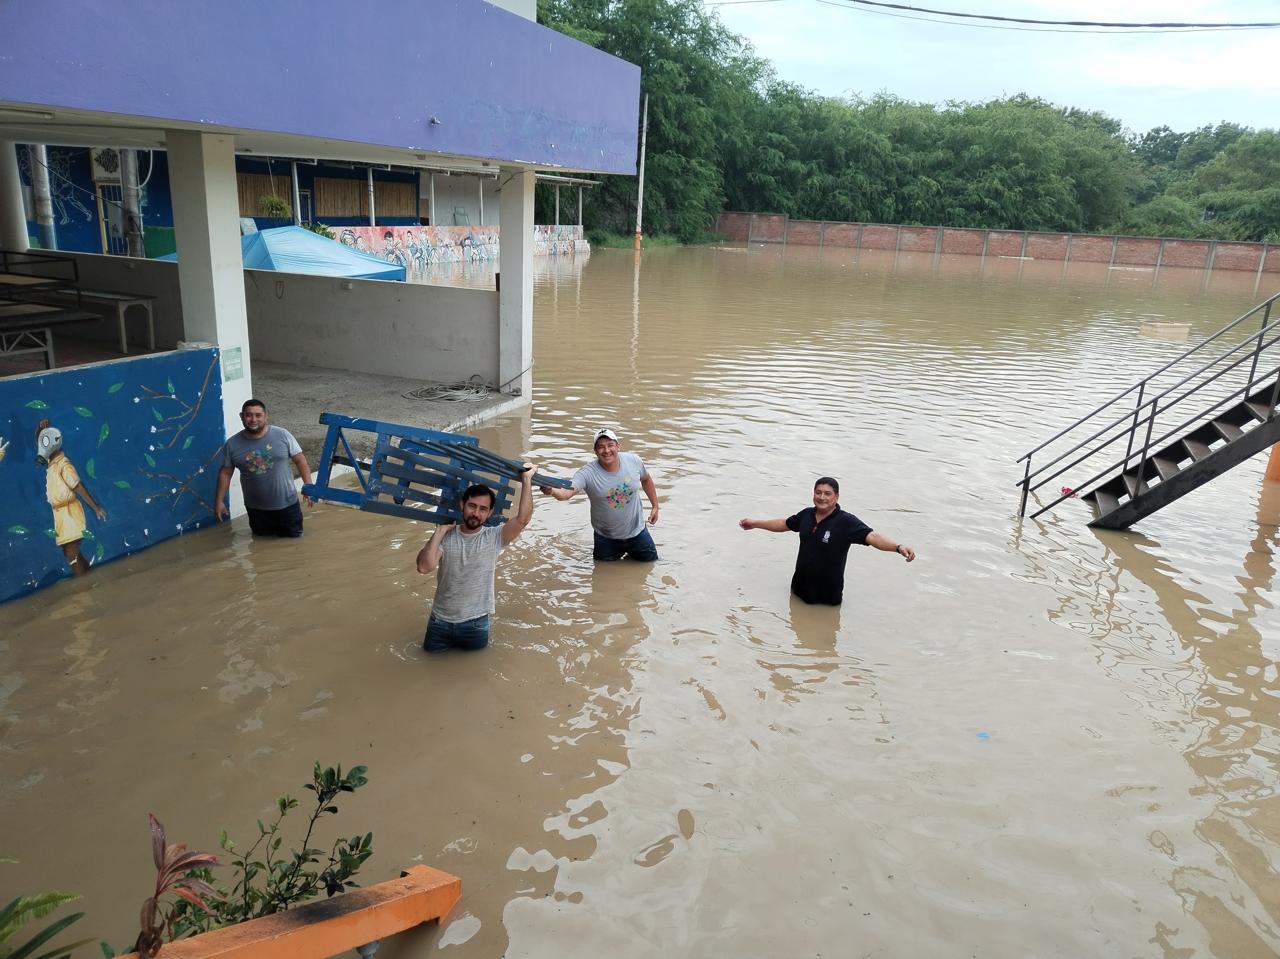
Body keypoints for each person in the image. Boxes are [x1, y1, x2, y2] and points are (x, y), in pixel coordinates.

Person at [739, 476, 915, 605]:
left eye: (827, 494)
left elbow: (873, 537)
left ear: (836, 497)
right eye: (818, 492)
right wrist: (755, 523)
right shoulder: (806, 515)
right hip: (799, 589)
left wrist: (898, 547)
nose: (822, 497)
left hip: (828, 595)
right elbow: (783, 524)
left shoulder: (846, 522)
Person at [415, 465, 536, 653]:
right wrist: (439, 531)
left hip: (476, 624)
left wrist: (527, 479)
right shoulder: (445, 535)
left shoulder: (495, 537)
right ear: (462, 505)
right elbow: (424, 567)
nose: (476, 513)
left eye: (482, 509)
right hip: (440, 622)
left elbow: (523, 519)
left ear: (489, 513)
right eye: (472, 506)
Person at [540, 428, 660, 561]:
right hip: (606, 539)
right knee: (602, 576)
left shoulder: (634, 461)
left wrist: (655, 506)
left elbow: (646, 479)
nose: (607, 450)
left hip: (638, 533)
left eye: (610, 445)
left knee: (651, 565)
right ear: (595, 451)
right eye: (601, 447)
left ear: (618, 446)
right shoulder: (587, 473)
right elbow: (567, 492)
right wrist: (551, 490)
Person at [214, 399, 314, 537]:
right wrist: (219, 501)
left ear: (266, 416)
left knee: (294, 545)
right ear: (241, 416)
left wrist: (308, 486)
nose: (253, 419)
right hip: (256, 510)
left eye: (258, 415)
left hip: (288, 506)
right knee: (260, 546)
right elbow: (225, 473)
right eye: (248, 415)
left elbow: (300, 460)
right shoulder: (232, 444)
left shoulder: (282, 435)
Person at [35, 419, 107, 576]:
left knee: (71, 553)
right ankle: (88, 577)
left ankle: (83, 586)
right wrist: (40, 430)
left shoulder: (63, 465)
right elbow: (42, 443)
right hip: (60, 515)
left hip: (69, 513)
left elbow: (78, 486)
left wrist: (96, 508)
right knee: (69, 552)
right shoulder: (52, 463)